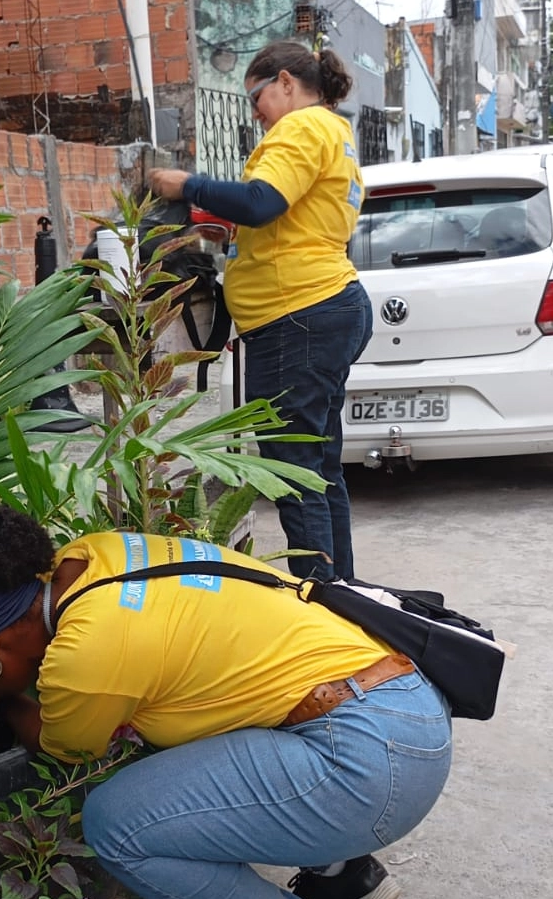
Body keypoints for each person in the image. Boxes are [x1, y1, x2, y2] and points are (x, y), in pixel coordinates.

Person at [0, 502, 452, 899]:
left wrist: (1, 700)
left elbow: (61, 746)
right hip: (400, 704)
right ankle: (342, 868)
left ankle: (336, 847)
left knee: (118, 827)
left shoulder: (86, 655)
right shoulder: (92, 557)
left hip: (368, 767)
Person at [148, 41, 372, 584]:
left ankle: (319, 608)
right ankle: (341, 594)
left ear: (287, 82)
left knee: (291, 475)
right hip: (322, 308)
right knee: (318, 472)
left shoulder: (300, 128)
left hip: (300, 317)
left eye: (257, 96)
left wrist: (186, 184)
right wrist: (230, 232)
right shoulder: (335, 132)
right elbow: (281, 220)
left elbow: (260, 201)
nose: (255, 112)